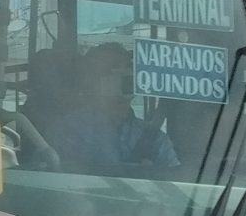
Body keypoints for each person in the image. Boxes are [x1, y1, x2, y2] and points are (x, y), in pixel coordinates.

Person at [50, 42, 180, 170]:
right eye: (113, 68)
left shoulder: (155, 138)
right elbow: (64, 176)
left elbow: (173, 178)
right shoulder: (70, 129)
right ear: (91, 80)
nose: (127, 73)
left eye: (129, 67)